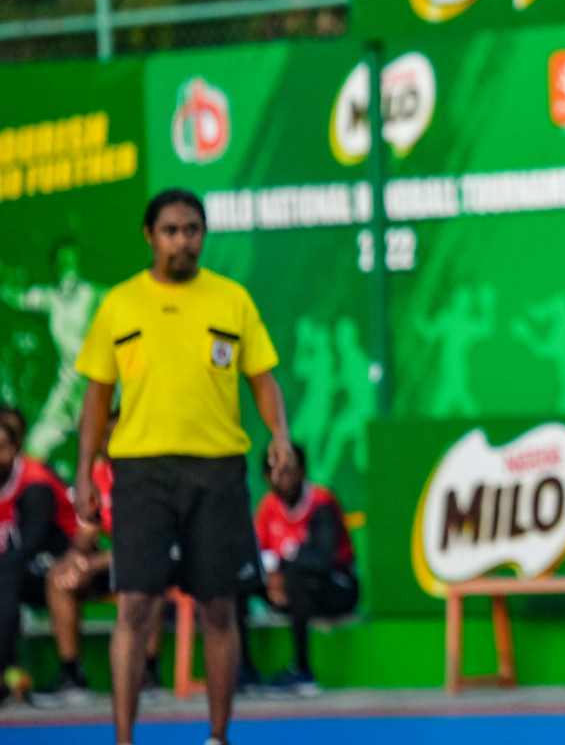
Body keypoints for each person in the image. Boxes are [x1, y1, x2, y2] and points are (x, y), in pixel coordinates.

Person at [75, 188, 296, 745]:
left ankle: (217, 738)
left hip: (217, 471)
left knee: (220, 607)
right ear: (150, 236)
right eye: (171, 230)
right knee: (136, 606)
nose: (183, 240)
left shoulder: (232, 300)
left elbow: (262, 380)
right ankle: (124, 741)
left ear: (204, 235)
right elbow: (97, 399)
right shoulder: (119, 305)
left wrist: (281, 437)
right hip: (140, 474)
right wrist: (83, 472)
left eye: (192, 229)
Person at [37, 410, 166, 705]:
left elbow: (146, 544)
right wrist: (74, 560)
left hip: (148, 564)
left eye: (118, 435)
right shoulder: (95, 477)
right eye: (106, 437)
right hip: (112, 567)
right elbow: (86, 537)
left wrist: (93, 563)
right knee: (58, 578)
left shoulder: (153, 479)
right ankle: (72, 675)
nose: (111, 442)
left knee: (150, 580)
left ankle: (148, 674)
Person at [243, 443, 358, 697]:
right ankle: (245, 670)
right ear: (266, 476)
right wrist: (272, 577)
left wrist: (282, 571)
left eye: (290, 471)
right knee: (239, 581)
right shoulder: (268, 507)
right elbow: (259, 554)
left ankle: (303, 671)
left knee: (298, 577)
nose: (284, 479)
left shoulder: (322, 502)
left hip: (336, 589)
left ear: (304, 471)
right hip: (286, 592)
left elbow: (321, 560)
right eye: (276, 472)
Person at [0, 239, 103, 466]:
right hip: (66, 391)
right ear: (54, 266)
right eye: (62, 263)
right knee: (33, 451)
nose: (67, 269)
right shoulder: (51, 299)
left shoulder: (94, 295)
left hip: (96, 392)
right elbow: (17, 298)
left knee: (99, 461)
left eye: (71, 262)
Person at [0, 417, 76, 703]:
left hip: (60, 562)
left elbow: (26, 550)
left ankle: (3, 674)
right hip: (18, 570)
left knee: (5, 577)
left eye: (2, 448)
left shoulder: (36, 484)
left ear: (16, 449)